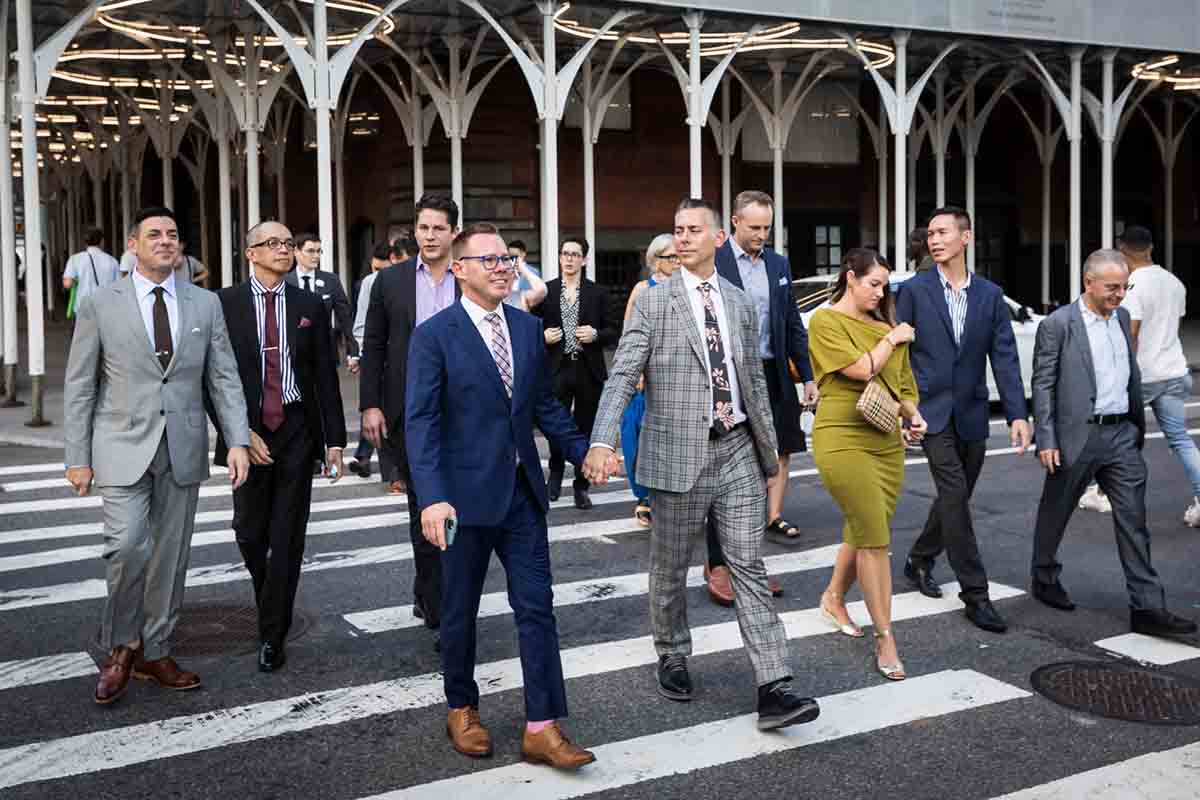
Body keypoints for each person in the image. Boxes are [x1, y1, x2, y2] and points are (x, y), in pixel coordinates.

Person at [584, 198, 820, 732]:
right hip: (677, 453)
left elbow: (752, 380)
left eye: (694, 230)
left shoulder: (738, 302)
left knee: (748, 565)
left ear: (718, 238)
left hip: (736, 445)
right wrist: (602, 441)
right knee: (669, 567)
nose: (682, 238)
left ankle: (774, 685)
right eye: (676, 230)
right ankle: (671, 651)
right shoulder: (653, 300)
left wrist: (767, 448)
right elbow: (623, 374)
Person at [406, 222, 596, 770]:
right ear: (460, 269)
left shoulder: (525, 326)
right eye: (487, 260)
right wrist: (432, 497)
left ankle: (542, 725)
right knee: (459, 611)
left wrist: (584, 452)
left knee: (537, 608)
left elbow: (543, 407)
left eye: (507, 259)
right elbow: (421, 423)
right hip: (461, 500)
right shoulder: (434, 335)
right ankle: (461, 706)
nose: (502, 267)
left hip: (521, 495)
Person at [63, 206, 251, 705]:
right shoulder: (102, 303)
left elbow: (223, 376)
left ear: (180, 247)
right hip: (120, 444)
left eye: (172, 234)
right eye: (154, 235)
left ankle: (157, 649)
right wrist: (76, 456)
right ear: (132, 244)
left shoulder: (205, 304)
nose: (165, 241)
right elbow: (81, 383)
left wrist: (236, 439)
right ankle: (123, 645)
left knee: (171, 556)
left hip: (182, 446)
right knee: (127, 548)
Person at [1030, 249, 1197, 639]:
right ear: (1088, 283)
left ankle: (1147, 607)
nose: (1121, 295)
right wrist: (1047, 438)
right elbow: (1042, 384)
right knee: (1056, 511)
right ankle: (1044, 575)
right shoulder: (1059, 324)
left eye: (1125, 286)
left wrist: (1136, 425)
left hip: (1122, 434)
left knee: (1134, 522)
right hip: (1077, 435)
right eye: (1112, 287)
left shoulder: (1121, 317)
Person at [209, 221, 346, 672]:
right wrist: (237, 433)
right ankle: (271, 595)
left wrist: (334, 442)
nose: (284, 250)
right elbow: (209, 378)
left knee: (288, 536)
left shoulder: (309, 304)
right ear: (250, 253)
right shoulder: (223, 304)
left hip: (296, 429)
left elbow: (326, 374)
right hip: (245, 432)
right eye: (273, 244)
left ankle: (273, 633)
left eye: (288, 243)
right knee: (249, 531)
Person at [895, 206, 1031, 634]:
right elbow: (901, 357)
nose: (934, 240)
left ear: (966, 238)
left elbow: (1004, 358)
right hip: (930, 414)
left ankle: (919, 558)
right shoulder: (915, 290)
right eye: (930, 234)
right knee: (954, 495)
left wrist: (1017, 413)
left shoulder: (990, 295)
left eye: (942, 233)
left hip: (972, 412)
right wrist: (905, 408)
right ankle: (977, 595)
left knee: (955, 498)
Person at [809, 248, 925, 681]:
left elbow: (904, 385)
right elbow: (860, 369)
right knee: (875, 534)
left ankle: (834, 597)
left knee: (865, 524)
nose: (880, 292)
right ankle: (886, 637)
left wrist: (913, 414)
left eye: (884, 286)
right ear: (850, 278)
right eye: (873, 283)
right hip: (841, 435)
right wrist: (892, 340)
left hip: (885, 439)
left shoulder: (885, 325)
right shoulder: (826, 321)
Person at [702, 190, 814, 605]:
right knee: (723, 470)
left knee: (761, 470)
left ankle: (746, 564)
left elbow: (792, 323)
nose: (762, 235)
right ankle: (717, 564)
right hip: (725, 377)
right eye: (754, 228)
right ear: (734, 222)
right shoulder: (714, 260)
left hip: (771, 377)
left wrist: (807, 376)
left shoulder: (778, 264)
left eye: (767, 227)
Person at [361, 194, 461, 650]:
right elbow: (375, 345)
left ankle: (435, 592)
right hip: (410, 411)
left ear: (453, 232)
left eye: (439, 228)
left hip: (464, 411)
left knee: (460, 509)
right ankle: (439, 606)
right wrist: (371, 405)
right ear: (414, 232)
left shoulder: (470, 274)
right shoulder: (391, 282)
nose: (430, 236)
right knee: (425, 506)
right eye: (423, 228)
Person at [1118, 225, 1200, 527]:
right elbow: (1171, 326)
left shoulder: (1133, 285)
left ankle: (1109, 497)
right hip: (1175, 370)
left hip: (1145, 375)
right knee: (1180, 440)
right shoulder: (1174, 282)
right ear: (1151, 248)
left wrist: (1121, 371)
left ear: (1123, 251)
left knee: (1120, 441)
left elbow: (1133, 331)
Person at [532, 236, 614, 510]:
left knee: (585, 427)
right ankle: (554, 477)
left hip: (587, 368)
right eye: (565, 253)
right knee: (555, 425)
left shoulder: (598, 293)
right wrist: (542, 335)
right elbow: (528, 324)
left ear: (584, 259)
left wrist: (595, 334)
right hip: (556, 367)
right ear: (559, 257)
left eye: (574, 254)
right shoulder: (546, 291)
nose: (569, 259)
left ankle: (581, 485)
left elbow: (613, 331)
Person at [619, 233, 678, 526]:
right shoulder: (642, 289)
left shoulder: (686, 288)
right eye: (670, 257)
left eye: (678, 256)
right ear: (656, 260)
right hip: (646, 376)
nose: (676, 262)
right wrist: (637, 372)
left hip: (676, 376)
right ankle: (644, 497)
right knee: (638, 438)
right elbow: (630, 335)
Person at [347, 242, 393, 479]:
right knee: (375, 406)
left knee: (386, 408)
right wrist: (360, 354)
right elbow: (361, 321)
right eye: (374, 269)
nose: (378, 274)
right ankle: (367, 458)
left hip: (395, 356)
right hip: (374, 356)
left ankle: (364, 457)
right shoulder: (368, 283)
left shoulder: (400, 280)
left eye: (382, 269)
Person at [286, 233, 359, 362]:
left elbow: (345, 317)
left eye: (319, 251)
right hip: (293, 354)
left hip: (326, 353)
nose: (316, 256)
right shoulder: (284, 282)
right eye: (310, 251)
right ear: (296, 251)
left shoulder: (331, 280)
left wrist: (353, 351)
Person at [63, 227, 121, 306]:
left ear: (85, 242)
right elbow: (118, 288)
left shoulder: (75, 259)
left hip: (83, 308)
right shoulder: (112, 261)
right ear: (102, 241)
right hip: (106, 307)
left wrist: (76, 281)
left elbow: (67, 284)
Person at [505, 239, 548, 311]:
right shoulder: (505, 272)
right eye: (510, 257)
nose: (512, 260)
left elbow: (540, 292)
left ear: (523, 254)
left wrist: (522, 268)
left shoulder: (532, 272)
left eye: (515, 257)